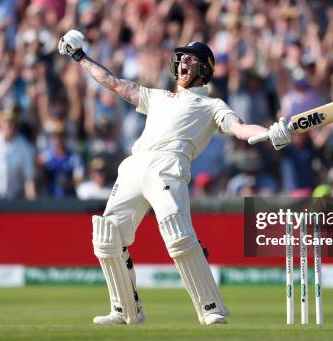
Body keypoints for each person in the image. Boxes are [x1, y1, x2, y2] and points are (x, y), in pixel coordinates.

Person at [58, 30, 292, 325]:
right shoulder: (156, 96)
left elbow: (240, 129)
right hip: (135, 164)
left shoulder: (212, 106)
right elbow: (114, 83)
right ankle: (126, 311)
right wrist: (79, 56)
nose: (183, 62)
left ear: (205, 69)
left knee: (178, 235)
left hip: (169, 166)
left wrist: (269, 133)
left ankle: (211, 308)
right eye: (182, 58)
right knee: (106, 237)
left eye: (192, 60)